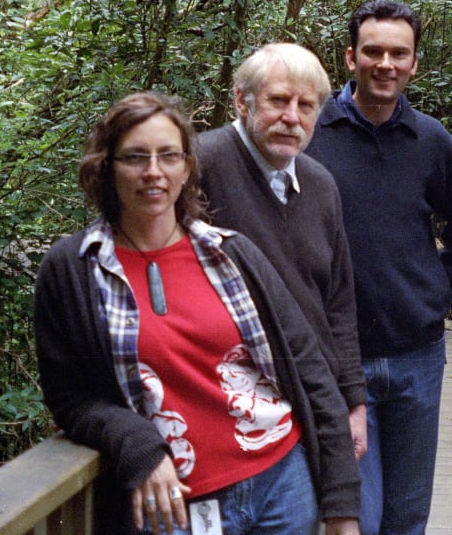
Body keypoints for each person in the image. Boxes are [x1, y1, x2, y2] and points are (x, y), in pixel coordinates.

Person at [33, 92, 360, 535]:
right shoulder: (73, 268)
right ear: (107, 167)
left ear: (187, 167)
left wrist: (342, 509)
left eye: (168, 156)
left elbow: (310, 372)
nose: (153, 172)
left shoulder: (231, 253)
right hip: (171, 507)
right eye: (135, 157)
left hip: (282, 484)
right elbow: (70, 396)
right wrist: (136, 442)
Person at [305, 0, 452, 535]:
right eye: (374, 51)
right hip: (341, 359)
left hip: (416, 357)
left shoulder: (429, 140)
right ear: (350, 58)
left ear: (413, 64)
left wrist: (433, 295)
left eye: (398, 54)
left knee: (407, 517)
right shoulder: (313, 135)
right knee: (357, 515)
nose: (386, 63)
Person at [199, 43, 367, 460]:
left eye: (306, 106)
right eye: (277, 101)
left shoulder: (320, 184)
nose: (292, 118)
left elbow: (338, 305)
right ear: (242, 100)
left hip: (312, 401)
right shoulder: (198, 166)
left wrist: (354, 402)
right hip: (227, 408)